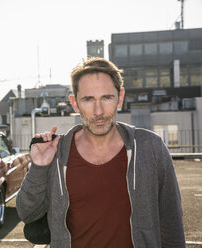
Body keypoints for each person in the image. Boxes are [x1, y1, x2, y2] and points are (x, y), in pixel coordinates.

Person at [16, 58, 185, 248]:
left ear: (120, 98)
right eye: (88, 99)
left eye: (106, 98)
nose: (98, 111)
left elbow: (172, 223)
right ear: (74, 103)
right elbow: (27, 213)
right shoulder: (57, 153)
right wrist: (38, 168)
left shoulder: (150, 147)